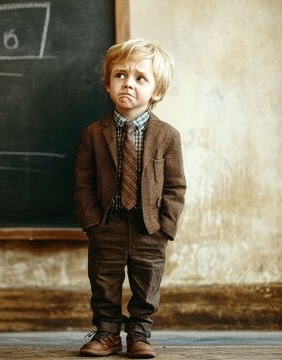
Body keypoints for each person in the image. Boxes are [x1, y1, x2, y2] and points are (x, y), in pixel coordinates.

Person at [74, 38, 186, 358]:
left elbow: (176, 185)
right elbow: (83, 180)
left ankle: (140, 331)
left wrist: (166, 226)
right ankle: (107, 331)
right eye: (120, 75)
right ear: (107, 84)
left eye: (140, 78)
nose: (128, 84)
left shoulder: (167, 136)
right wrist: (92, 221)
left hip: (148, 224)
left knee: (147, 279)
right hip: (107, 220)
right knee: (104, 277)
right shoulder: (95, 133)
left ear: (157, 92)